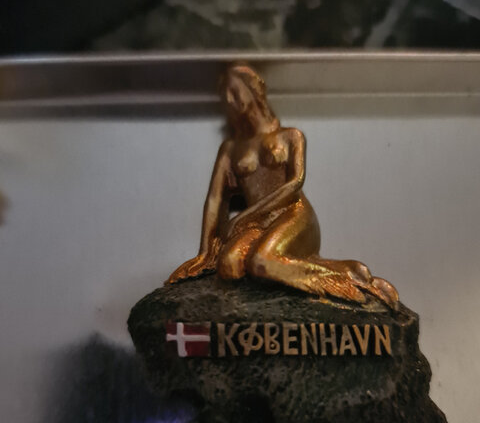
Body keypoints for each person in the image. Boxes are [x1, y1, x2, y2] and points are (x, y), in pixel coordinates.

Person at [168, 64, 398, 307]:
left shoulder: (291, 136)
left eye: (234, 91)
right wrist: (205, 252)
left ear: (253, 90)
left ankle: (346, 279)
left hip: (292, 213)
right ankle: (318, 268)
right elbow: (215, 199)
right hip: (257, 224)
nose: (229, 100)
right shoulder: (231, 148)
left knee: (261, 262)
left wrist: (245, 216)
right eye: (225, 96)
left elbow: (295, 183)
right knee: (229, 265)